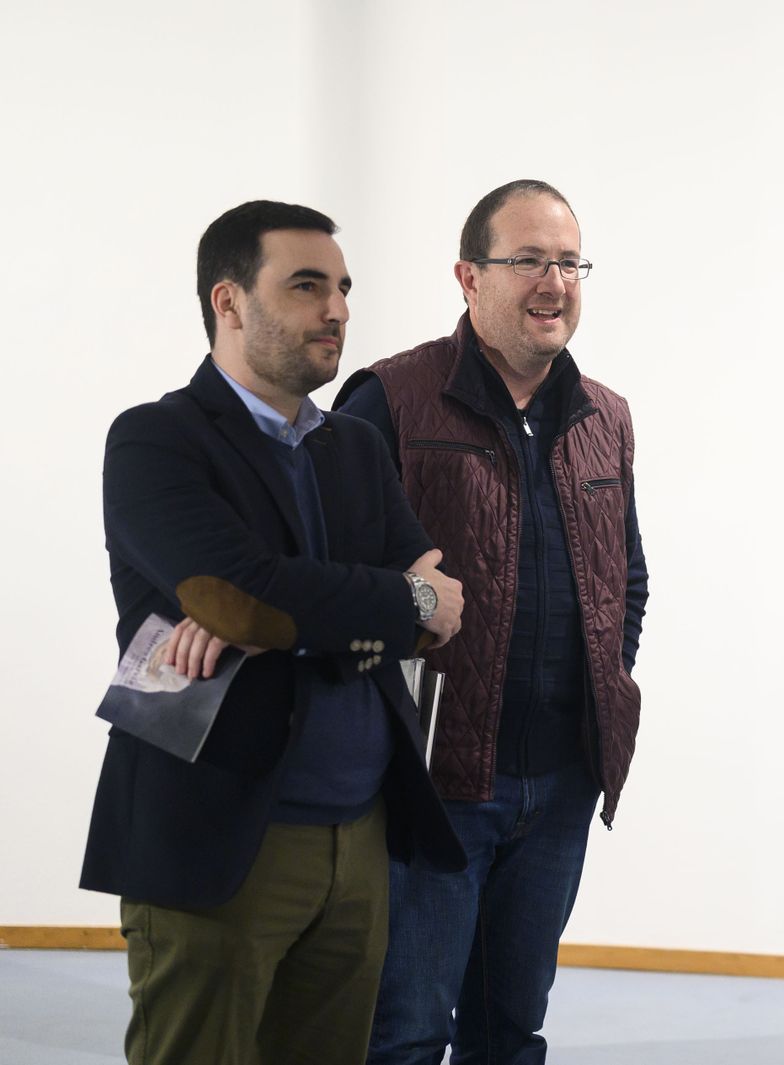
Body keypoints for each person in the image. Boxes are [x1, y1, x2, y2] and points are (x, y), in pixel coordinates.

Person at [80, 200, 467, 1065]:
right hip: (216, 834)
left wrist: (303, 617)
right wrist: (381, 604)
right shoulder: (156, 439)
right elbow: (245, 595)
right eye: (306, 286)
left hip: (359, 836)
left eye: (341, 288)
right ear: (229, 301)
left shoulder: (357, 448)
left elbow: (444, 607)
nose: (337, 309)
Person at [336, 179, 647, 1065]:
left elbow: (627, 577)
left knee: (511, 1033)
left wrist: (603, 682)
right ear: (468, 277)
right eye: (528, 261)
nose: (554, 282)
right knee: (405, 1033)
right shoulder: (390, 398)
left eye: (569, 261)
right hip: (433, 783)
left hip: (560, 784)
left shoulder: (605, 418)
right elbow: (335, 574)